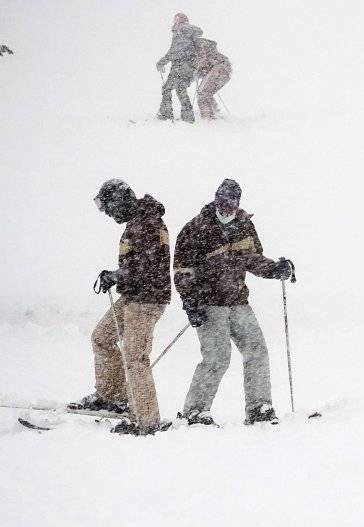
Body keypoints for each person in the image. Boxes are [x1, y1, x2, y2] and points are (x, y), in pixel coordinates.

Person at [173, 179, 295, 426]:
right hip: (209, 304)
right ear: (215, 198)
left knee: (257, 351)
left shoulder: (244, 225)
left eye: (231, 200)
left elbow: (253, 259)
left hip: (238, 301)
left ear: (238, 201)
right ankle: (195, 412)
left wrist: (276, 269)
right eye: (222, 199)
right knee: (217, 358)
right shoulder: (196, 228)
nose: (225, 205)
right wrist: (191, 302)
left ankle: (259, 408)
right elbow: (182, 269)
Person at [69, 180, 172, 436]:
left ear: (120, 201)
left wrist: (117, 276)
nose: (108, 214)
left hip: (147, 300)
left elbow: (147, 266)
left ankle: (146, 421)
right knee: (102, 338)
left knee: (136, 357)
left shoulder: (147, 222)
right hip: (132, 296)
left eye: (109, 208)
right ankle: (112, 397)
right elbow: (138, 265)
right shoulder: (137, 221)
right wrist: (118, 276)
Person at [156, 13, 203, 123]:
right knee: (179, 89)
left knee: (169, 88)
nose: (174, 22)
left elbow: (173, 52)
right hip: (188, 66)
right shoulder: (190, 33)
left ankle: (167, 114)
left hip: (180, 66)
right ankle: (187, 117)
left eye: (176, 20)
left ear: (179, 21)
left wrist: (161, 63)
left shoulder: (180, 31)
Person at [194, 38, 231, 120]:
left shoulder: (197, 43)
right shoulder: (205, 45)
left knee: (202, 94)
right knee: (206, 93)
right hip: (225, 69)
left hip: (218, 68)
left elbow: (202, 60)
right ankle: (215, 114)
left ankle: (207, 118)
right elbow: (205, 62)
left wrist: (196, 69)